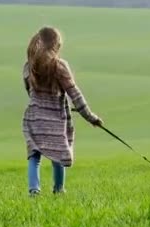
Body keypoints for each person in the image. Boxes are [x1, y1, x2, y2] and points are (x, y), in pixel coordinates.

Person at [22, 26, 103, 196]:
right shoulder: (59, 66)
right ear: (56, 45)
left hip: (34, 118)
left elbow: (29, 91)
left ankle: (34, 190)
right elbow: (75, 95)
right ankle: (59, 191)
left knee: (34, 156)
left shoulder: (29, 66)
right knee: (57, 155)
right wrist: (91, 117)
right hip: (55, 120)